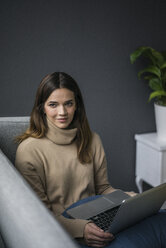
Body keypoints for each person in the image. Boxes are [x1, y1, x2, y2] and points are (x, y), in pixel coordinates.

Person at [15, 72, 166, 248]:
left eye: (68, 104)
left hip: (101, 218)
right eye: (53, 105)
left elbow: (103, 189)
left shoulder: (92, 139)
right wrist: (82, 230)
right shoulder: (29, 150)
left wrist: (131, 200)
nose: (62, 112)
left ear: (77, 105)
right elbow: (39, 216)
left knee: (161, 220)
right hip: (69, 232)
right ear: (42, 108)